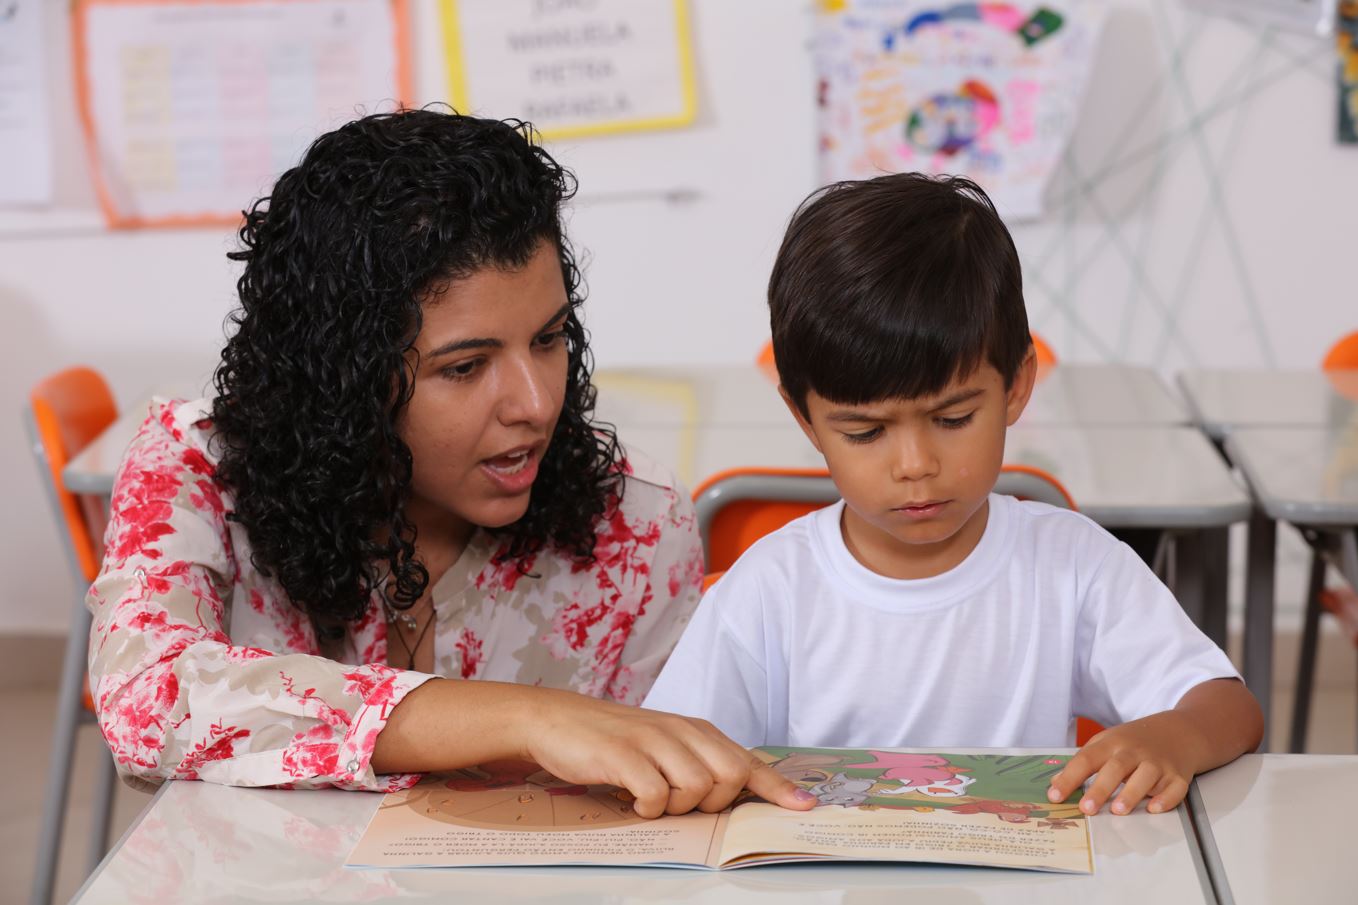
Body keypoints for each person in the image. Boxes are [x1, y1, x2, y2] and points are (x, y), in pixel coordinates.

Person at [86, 109, 814, 819]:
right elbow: (147, 701)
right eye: (466, 367)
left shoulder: (638, 526)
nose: (534, 402)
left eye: (550, 338)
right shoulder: (197, 468)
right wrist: (527, 718)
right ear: (344, 378)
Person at [643, 173, 1263, 817]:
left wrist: (1176, 735)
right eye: (865, 431)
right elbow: (671, 750)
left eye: (953, 419)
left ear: (1017, 386)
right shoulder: (773, 587)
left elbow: (1228, 707)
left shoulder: (1070, 563)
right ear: (805, 420)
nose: (916, 465)